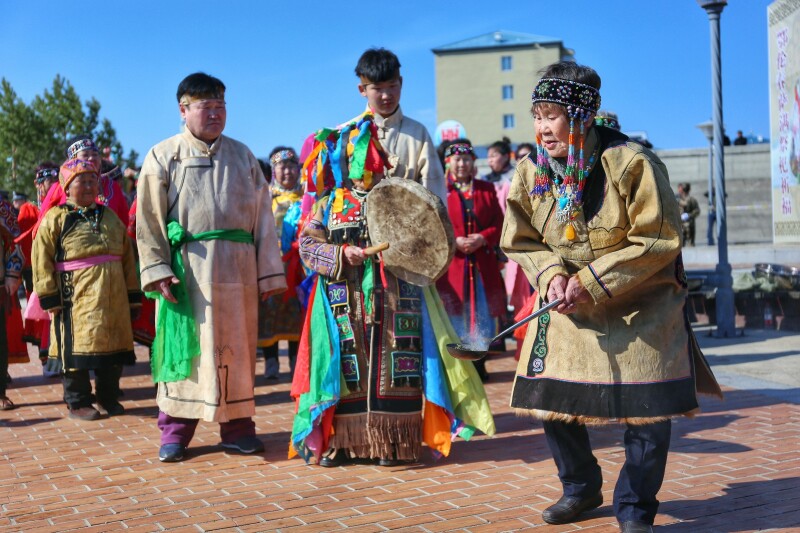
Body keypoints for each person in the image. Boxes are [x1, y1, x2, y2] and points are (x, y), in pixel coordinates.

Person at [500, 61, 721, 533]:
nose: (541, 127)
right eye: (536, 115)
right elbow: (520, 240)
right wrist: (554, 274)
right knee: (548, 395)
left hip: (641, 299)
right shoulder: (530, 171)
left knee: (648, 413)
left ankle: (636, 508)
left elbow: (657, 239)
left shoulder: (632, 162)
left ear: (581, 116)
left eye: (552, 115)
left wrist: (593, 280)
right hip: (567, 301)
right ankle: (580, 486)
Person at [291, 112, 494, 468]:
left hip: (398, 299)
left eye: (372, 160)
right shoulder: (329, 204)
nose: (366, 169)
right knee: (344, 370)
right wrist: (340, 253)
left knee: (397, 367)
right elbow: (307, 247)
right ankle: (341, 443)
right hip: (343, 301)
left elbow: (427, 240)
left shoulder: (399, 195)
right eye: (360, 161)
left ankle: (393, 443)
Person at [136, 72, 286, 463]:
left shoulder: (242, 156)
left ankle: (237, 429)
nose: (216, 113)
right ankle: (175, 432)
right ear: (183, 110)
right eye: (206, 106)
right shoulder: (162, 155)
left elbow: (263, 219)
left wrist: (269, 271)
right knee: (184, 356)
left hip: (237, 273)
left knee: (234, 353)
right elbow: (148, 220)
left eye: (221, 106)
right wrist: (157, 269)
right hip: (185, 275)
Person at [32, 159, 140, 420]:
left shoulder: (111, 217)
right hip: (74, 301)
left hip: (113, 299)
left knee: (113, 351)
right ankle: (78, 402)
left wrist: (133, 297)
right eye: (83, 181)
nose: (90, 185)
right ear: (67, 187)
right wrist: (50, 297)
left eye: (94, 180)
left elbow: (127, 258)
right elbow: (41, 258)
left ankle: (108, 398)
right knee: (74, 353)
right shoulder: (55, 219)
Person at [435, 141, 506, 382]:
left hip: (482, 264)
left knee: (482, 313)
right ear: (448, 162)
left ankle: (480, 363)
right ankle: (459, 367)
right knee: (456, 312)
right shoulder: (440, 190)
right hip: (453, 266)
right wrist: (453, 241)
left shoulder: (486, 189)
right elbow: (432, 226)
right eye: (457, 159)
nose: (462, 164)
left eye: (466, 159)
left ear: (473, 162)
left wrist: (483, 238)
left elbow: (499, 223)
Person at [353, 48, 446, 204]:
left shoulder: (418, 133)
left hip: (411, 224)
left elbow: (434, 190)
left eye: (392, 85)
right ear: (363, 90)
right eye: (377, 88)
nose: (386, 95)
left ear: (401, 82)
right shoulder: (350, 133)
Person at [258, 146, 305, 380]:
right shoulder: (264, 197)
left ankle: (296, 360)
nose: (287, 172)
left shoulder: (307, 196)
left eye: (291, 166)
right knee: (269, 314)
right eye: (282, 167)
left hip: (300, 269)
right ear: (274, 170)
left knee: (297, 313)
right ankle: (271, 361)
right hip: (272, 266)